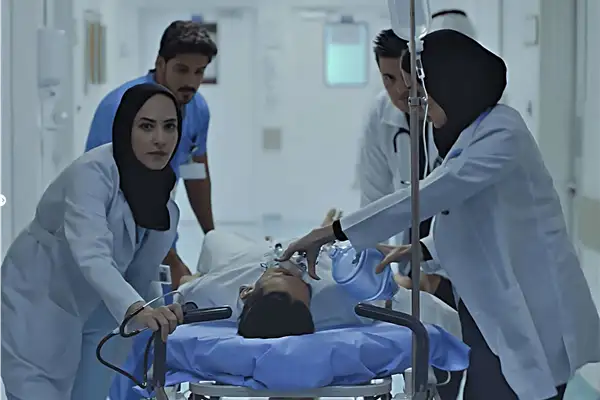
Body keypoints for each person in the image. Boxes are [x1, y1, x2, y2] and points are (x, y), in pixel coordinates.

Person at [279, 30, 600, 400]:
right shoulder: (465, 133)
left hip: (532, 305)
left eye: (421, 93)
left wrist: (331, 232)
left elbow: (433, 194)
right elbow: (469, 218)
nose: (415, 104)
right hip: (489, 307)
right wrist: (422, 249)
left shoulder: (503, 133)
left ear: (451, 85)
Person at [1, 84, 187, 400]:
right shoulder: (92, 174)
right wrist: (137, 309)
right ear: (125, 128)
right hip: (41, 299)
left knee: (92, 392)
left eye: (169, 126)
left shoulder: (164, 206)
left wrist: (160, 314)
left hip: (103, 311)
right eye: (146, 126)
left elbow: (140, 276)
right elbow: (92, 253)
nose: (160, 139)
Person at [85, 20, 218, 289]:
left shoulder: (197, 109)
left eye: (199, 72)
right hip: (110, 231)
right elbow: (119, 192)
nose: (191, 82)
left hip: (157, 226)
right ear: (160, 64)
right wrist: (169, 257)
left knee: (164, 301)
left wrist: (213, 240)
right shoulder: (121, 108)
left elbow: (196, 173)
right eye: (182, 70)